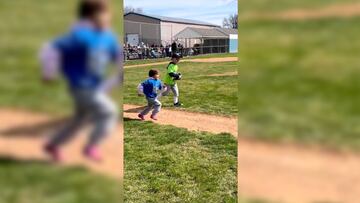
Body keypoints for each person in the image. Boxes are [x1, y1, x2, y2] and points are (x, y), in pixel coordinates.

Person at [39, 0, 122, 162]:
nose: (109, 16)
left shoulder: (105, 36)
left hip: (92, 87)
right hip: (82, 86)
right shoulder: (81, 35)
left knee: (80, 120)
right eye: (105, 12)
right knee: (108, 112)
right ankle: (91, 146)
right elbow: (52, 48)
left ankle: (53, 144)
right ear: (93, 16)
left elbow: (117, 54)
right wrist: (49, 72)